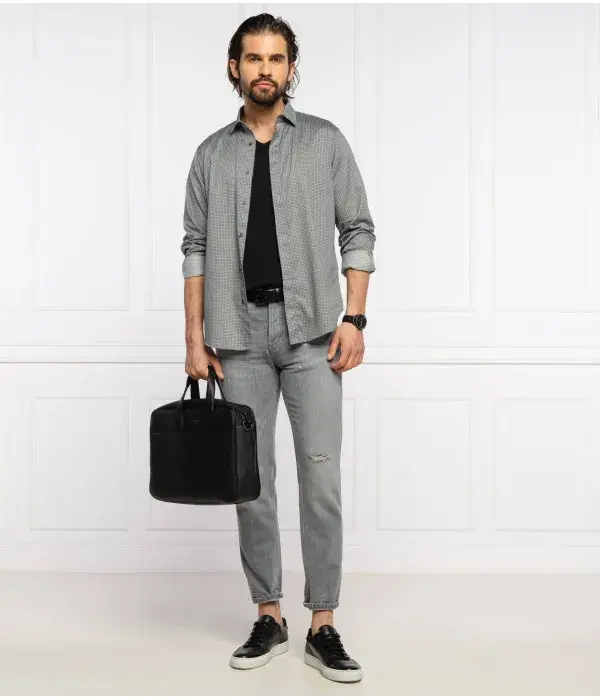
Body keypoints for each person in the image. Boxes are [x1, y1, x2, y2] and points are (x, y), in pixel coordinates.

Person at [181, 13, 375, 684]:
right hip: (237, 338)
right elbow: (195, 246)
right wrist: (194, 338)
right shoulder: (211, 155)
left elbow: (358, 228)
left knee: (321, 480)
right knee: (252, 484)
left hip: (313, 334)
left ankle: (323, 624)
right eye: (253, 58)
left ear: (292, 68)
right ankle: (269, 614)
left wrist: (355, 318)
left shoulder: (324, 142)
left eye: (276, 58)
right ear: (234, 67)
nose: (265, 69)